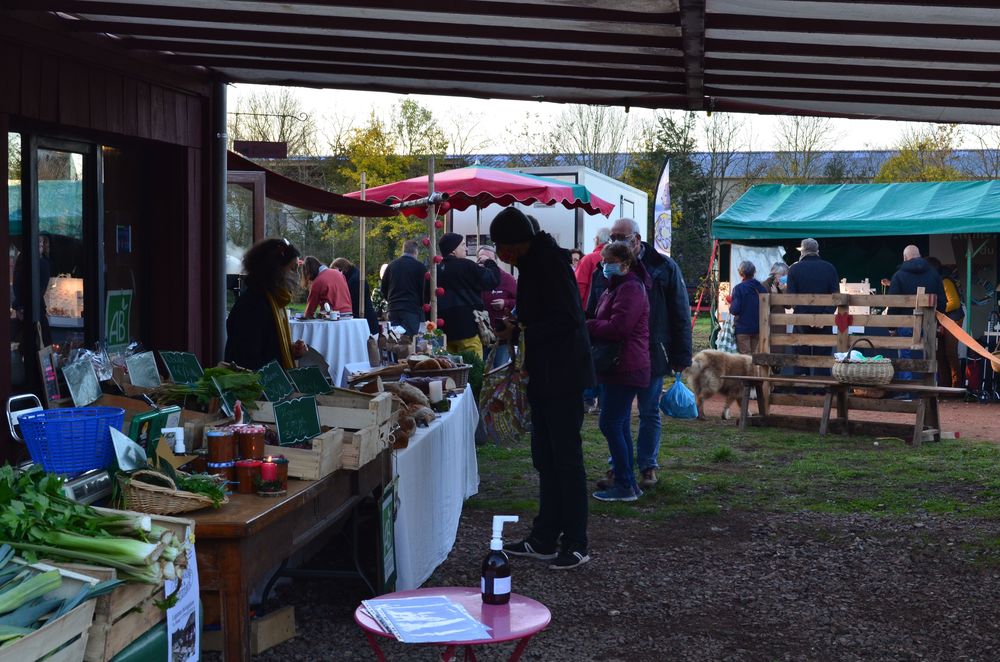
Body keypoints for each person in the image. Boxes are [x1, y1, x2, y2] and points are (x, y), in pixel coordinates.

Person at [490, 207, 595, 570]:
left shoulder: (549, 264)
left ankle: (577, 541)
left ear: (518, 243)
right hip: (544, 374)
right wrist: (516, 323)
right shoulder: (532, 266)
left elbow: (568, 318)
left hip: (563, 375)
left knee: (566, 459)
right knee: (546, 459)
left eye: (503, 247)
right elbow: (538, 311)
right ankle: (545, 536)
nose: (501, 255)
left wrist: (524, 331)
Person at [587, 218, 692, 490]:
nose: (616, 241)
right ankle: (618, 468)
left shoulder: (663, 267)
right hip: (612, 355)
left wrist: (681, 355)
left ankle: (647, 465)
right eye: (612, 237)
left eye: (621, 236)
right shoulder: (606, 269)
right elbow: (594, 306)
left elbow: (680, 313)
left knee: (648, 412)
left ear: (636, 238)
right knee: (616, 416)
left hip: (653, 350)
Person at [586, 241, 650, 501]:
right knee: (618, 423)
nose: (604, 266)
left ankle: (625, 483)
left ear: (624, 264)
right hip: (621, 365)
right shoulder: (618, 287)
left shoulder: (630, 288)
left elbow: (618, 328)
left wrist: (588, 325)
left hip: (626, 365)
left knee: (611, 423)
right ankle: (628, 482)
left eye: (608, 261)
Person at [225, 238, 307, 370]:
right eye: (293, 269)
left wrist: (290, 350)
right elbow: (248, 359)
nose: (297, 276)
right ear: (274, 269)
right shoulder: (253, 306)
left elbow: (266, 346)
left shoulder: (273, 301)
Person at [888, 245, 946, 386]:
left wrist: (891, 327)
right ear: (920, 256)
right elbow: (943, 301)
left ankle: (907, 392)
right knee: (929, 357)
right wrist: (936, 322)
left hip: (906, 324)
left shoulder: (899, 275)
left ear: (905, 258)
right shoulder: (934, 274)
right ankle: (931, 389)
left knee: (905, 359)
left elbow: (894, 303)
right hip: (928, 324)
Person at [435, 233, 500, 358]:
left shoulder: (434, 271)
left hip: (443, 332)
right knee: (472, 370)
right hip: (467, 329)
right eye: (463, 245)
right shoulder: (466, 265)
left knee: (451, 371)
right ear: (453, 250)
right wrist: (490, 262)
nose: (465, 249)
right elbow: (493, 280)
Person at [786, 238, 839, 375]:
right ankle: (822, 391)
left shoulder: (794, 269)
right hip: (824, 321)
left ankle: (802, 390)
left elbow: (791, 298)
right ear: (817, 251)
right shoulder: (829, 268)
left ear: (802, 252)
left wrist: (807, 317)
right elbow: (836, 297)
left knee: (800, 358)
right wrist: (824, 316)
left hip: (801, 320)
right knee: (822, 358)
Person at [477, 244, 517, 367]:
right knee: (481, 370)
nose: (484, 263)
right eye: (480, 259)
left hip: (501, 336)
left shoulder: (507, 279)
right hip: (480, 335)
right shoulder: (474, 278)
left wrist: (505, 303)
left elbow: (519, 301)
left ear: (495, 261)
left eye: (488, 260)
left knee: (500, 368)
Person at [928, 257, 964, 389]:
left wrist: (937, 311)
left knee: (950, 352)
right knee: (940, 353)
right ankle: (945, 385)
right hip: (943, 320)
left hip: (953, 319)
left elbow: (954, 303)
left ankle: (956, 386)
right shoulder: (937, 281)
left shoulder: (945, 281)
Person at [380, 240, 427, 336]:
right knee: (409, 340)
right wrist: (422, 304)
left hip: (393, 308)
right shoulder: (420, 267)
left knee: (394, 339)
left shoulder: (392, 266)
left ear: (403, 250)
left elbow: (383, 287)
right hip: (411, 309)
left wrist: (390, 300)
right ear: (416, 251)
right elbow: (425, 289)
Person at [729, 261, 769, 354]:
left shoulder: (738, 288)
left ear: (740, 273)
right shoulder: (761, 287)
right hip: (758, 328)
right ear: (754, 272)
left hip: (743, 328)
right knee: (755, 357)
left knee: (745, 358)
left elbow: (735, 310)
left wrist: (730, 306)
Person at [331, 257, 379, 334]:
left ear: (341, 269)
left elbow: (352, 302)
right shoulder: (355, 275)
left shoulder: (354, 280)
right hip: (367, 318)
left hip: (364, 320)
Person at [576, 227, 610, 304]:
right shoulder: (619, 259)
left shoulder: (588, 259)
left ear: (597, 240)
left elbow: (579, 286)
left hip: (589, 310)